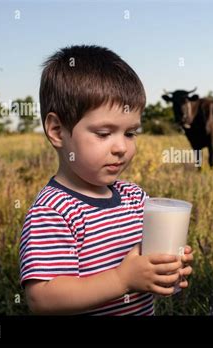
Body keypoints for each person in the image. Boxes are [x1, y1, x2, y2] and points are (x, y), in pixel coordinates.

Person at [19, 45, 194, 315]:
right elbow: (42, 299)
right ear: (57, 130)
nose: (121, 147)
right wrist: (121, 280)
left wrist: (165, 268)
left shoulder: (135, 198)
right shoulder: (54, 211)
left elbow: (145, 260)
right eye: (103, 133)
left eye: (131, 133)